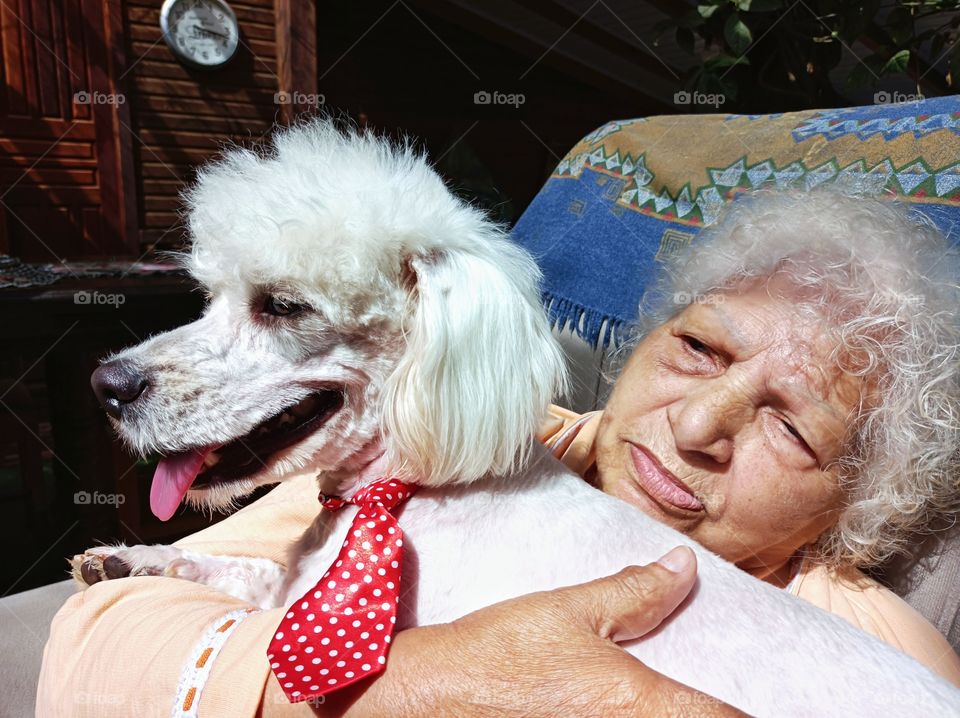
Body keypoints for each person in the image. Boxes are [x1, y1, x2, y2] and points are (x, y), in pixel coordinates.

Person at [38, 190, 960, 716]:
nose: (694, 427)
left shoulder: (882, 646)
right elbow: (97, 643)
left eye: (790, 427)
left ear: (864, 493)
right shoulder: (412, 460)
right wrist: (416, 690)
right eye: (698, 349)